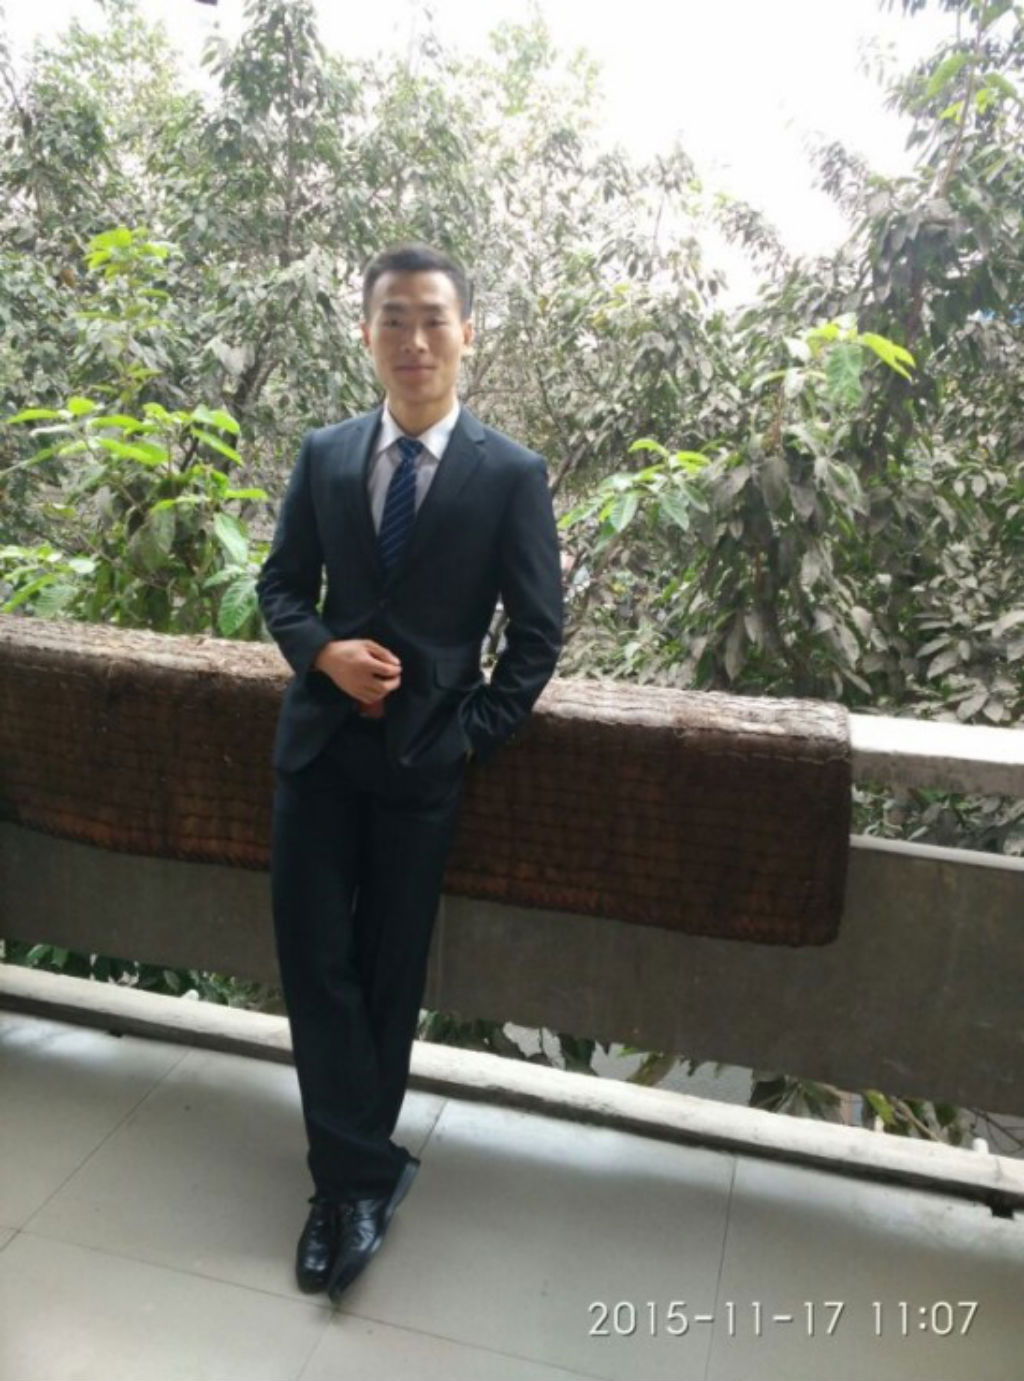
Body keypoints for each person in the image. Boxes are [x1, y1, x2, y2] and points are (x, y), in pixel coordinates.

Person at [256, 243, 563, 1302]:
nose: (414, 339)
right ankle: (355, 1180)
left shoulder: (509, 473)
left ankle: (347, 1186)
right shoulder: (325, 454)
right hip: (317, 753)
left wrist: (469, 734)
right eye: (393, 318)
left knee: (388, 973)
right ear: (366, 333)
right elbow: (281, 586)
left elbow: (536, 634)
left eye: (434, 319)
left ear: (466, 333)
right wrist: (323, 653)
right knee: (313, 961)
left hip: (425, 763)